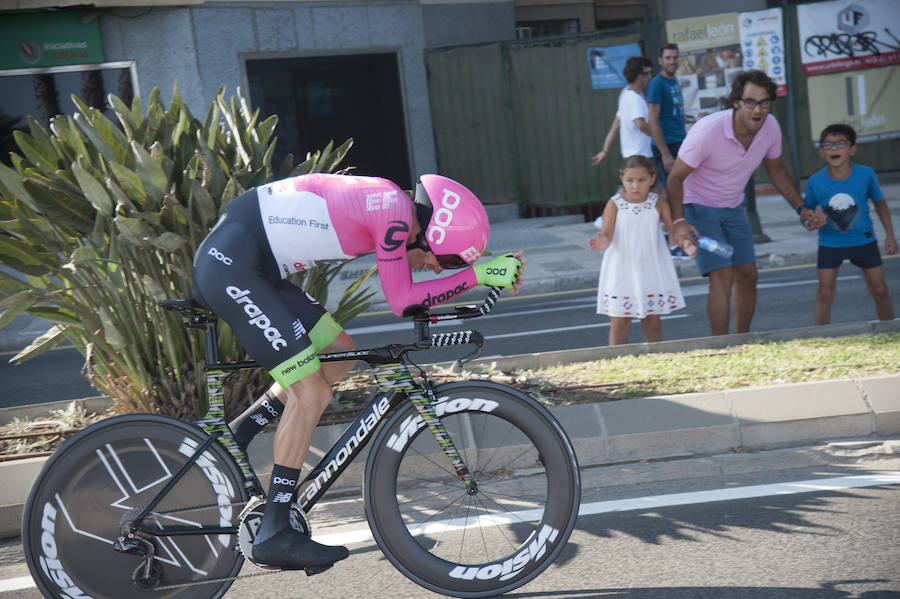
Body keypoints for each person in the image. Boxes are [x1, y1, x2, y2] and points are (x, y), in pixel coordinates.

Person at [192, 173, 524, 570]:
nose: (440, 271)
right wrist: (482, 274)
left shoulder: (392, 210)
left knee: (339, 353)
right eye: (448, 259)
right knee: (310, 394)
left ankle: (238, 435)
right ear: (431, 234)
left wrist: (478, 272)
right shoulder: (394, 214)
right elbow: (402, 300)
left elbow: (409, 295)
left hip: (254, 268)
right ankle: (276, 530)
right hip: (234, 268)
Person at [667, 70, 826, 336]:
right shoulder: (707, 131)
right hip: (698, 207)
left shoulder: (771, 127)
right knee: (722, 275)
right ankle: (719, 349)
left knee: (748, 275)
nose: (758, 109)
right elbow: (674, 179)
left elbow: (776, 169)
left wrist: (802, 208)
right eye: (751, 101)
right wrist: (679, 222)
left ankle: (741, 342)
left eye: (764, 102)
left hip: (732, 207)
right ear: (736, 102)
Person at [802, 123, 897, 325]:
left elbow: (880, 203)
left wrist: (890, 235)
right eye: (828, 145)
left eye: (841, 143)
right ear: (821, 152)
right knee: (825, 294)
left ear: (852, 149)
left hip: (864, 241)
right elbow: (807, 214)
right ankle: (821, 339)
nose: (834, 148)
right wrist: (811, 221)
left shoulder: (866, 174)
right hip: (830, 244)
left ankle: (890, 331)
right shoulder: (815, 182)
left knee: (880, 290)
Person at [589, 155, 685, 345]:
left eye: (641, 180)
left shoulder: (657, 203)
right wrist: (602, 242)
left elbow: (673, 229)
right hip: (622, 270)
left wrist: (684, 244)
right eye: (629, 180)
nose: (635, 186)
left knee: (653, 322)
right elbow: (606, 233)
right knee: (619, 322)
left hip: (650, 269)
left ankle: (656, 360)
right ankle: (616, 362)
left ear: (652, 178)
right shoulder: (615, 203)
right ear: (622, 179)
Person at [592, 56, 654, 165]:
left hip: (630, 156)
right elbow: (640, 125)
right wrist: (659, 137)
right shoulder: (635, 98)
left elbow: (615, 126)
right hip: (641, 156)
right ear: (640, 77)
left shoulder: (624, 94)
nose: (650, 76)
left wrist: (605, 151)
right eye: (647, 73)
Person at [646, 43, 686, 185]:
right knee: (673, 189)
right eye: (668, 58)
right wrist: (665, 154)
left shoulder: (674, 80)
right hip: (667, 145)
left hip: (679, 141)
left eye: (675, 57)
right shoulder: (657, 84)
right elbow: (653, 121)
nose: (672, 61)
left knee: (685, 189)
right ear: (660, 60)